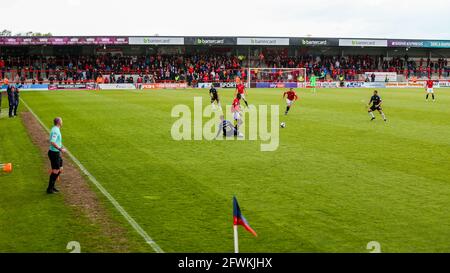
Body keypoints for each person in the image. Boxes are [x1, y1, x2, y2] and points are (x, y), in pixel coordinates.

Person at [47, 117, 66, 194]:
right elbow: (52, 142)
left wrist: (60, 147)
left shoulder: (56, 129)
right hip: (54, 153)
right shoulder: (55, 130)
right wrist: (60, 149)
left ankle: (52, 186)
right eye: (61, 121)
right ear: (58, 122)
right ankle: (49, 189)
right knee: (55, 171)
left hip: (56, 152)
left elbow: (57, 142)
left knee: (60, 168)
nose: (62, 122)